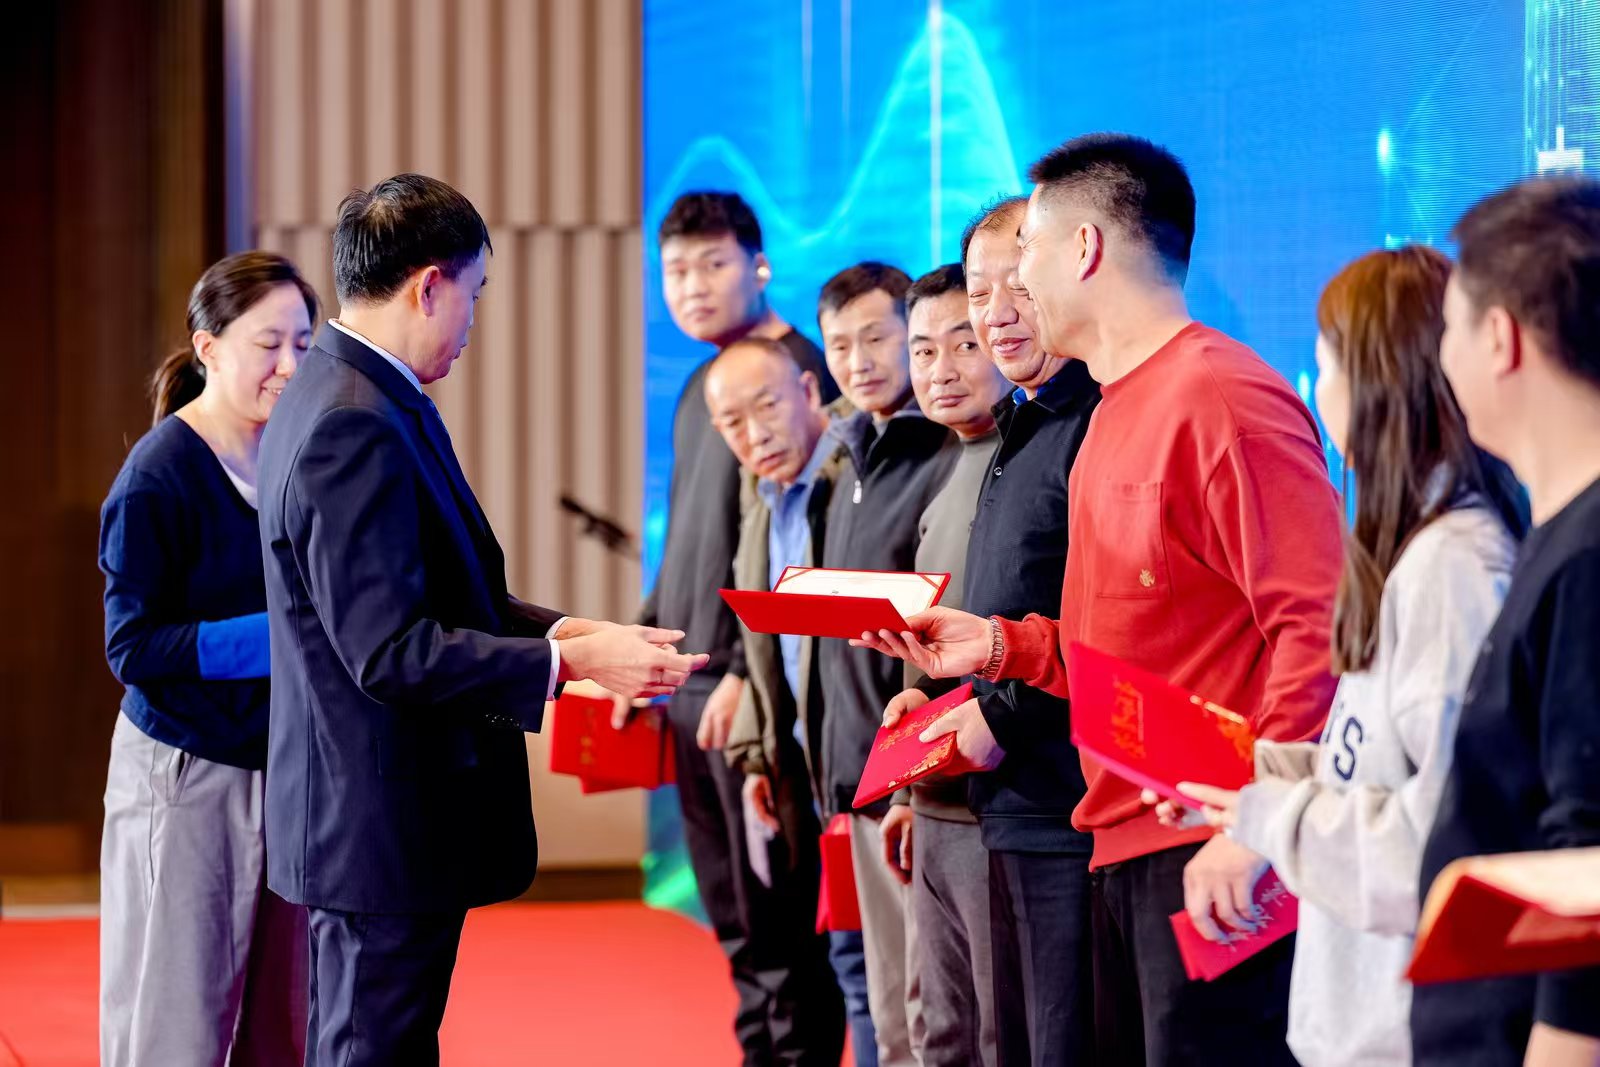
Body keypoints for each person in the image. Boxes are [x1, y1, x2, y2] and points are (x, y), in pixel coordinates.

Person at [854, 133, 1344, 1066]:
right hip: (1118, 839)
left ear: (1084, 249)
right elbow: (1109, 644)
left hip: (1210, 845)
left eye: (1027, 255)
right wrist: (998, 647)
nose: (1011, 292)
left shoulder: (1222, 395)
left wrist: (1261, 820)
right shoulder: (1115, 410)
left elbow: (1318, 626)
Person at [257, 173, 706, 1066]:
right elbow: (391, 650)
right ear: (430, 285)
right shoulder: (354, 421)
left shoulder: (353, 392)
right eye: (475, 292)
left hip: (373, 818)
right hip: (377, 822)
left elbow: (450, 595)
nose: (471, 320)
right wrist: (575, 666)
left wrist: (579, 635)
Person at [1155, 245, 1526, 1067]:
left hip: (1415, 1030)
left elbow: (1440, 835)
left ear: (1381, 379)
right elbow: (1380, 766)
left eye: (1325, 367)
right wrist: (1255, 785)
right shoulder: (1419, 551)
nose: (1317, 393)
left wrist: (1269, 816)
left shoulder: (1451, 566)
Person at [99, 251, 317, 1067]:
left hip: (280, 768)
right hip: (185, 771)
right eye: (269, 344)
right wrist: (285, 635)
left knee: (280, 1026)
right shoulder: (158, 475)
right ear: (208, 347)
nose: (290, 365)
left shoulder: (294, 457)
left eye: (303, 344)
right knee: (176, 1024)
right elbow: (133, 646)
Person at [638, 191, 842, 1063]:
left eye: (713, 264)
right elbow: (692, 538)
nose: (692, 286)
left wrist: (736, 672)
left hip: (751, 697)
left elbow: (799, 547)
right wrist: (645, 640)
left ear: (760, 265)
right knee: (731, 921)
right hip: (690, 688)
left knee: (779, 928)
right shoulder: (702, 386)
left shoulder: (800, 370)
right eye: (676, 271)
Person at [1412, 176, 1600, 1067]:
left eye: (1448, 326)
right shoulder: (1559, 533)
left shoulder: (1587, 556)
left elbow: (1587, 858)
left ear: (1499, 337)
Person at [819, 261, 957, 1067]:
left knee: (929, 1016)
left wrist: (908, 782)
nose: (858, 361)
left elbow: (934, 643)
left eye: (877, 338)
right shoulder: (847, 454)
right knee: (885, 1008)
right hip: (855, 779)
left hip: (917, 776)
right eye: (840, 345)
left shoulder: (943, 448)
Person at [703, 335, 850, 1067]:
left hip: (860, 766)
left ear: (810, 391)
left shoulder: (853, 475)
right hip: (793, 760)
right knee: (801, 955)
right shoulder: (757, 492)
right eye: (731, 422)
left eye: (766, 407)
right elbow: (765, 643)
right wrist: (759, 754)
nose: (753, 433)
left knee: (870, 975)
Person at [877, 260, 1009, 1067]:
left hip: (1004, 803)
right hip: (936, 804)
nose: (941, 369)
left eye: (965, 343)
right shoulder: (950, 465)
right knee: (940, 1031)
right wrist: (907, 788)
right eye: (923, 351)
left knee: (1000, 1033)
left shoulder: (1030, 464)